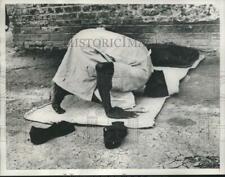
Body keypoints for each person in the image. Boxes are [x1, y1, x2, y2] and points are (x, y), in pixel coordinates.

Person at [51, 28, 169, 119]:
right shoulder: (142, 75)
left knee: (84, 73)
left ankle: (63, 87)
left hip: (85, 34)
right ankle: (63, 89)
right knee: (124, 100)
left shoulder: (145, 55)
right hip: (87, 45)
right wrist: (109, 109)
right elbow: (103, 69)